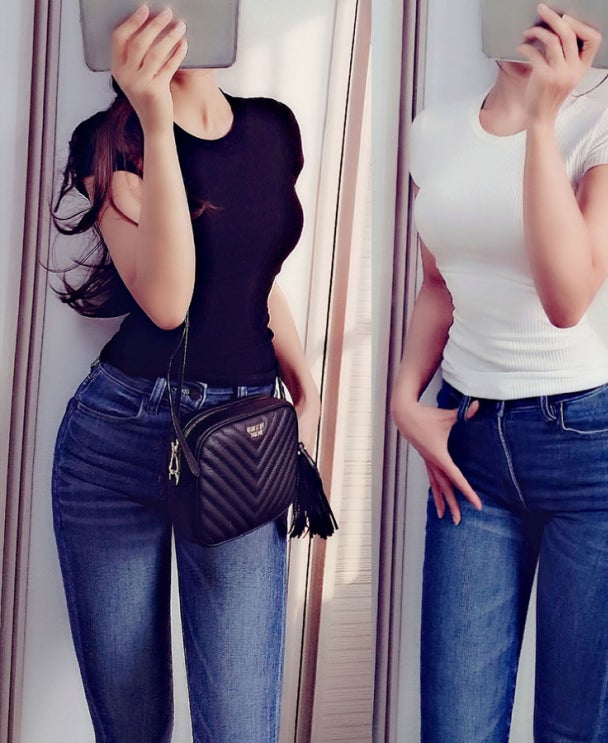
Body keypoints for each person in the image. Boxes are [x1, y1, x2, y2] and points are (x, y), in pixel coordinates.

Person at [50, 5, 320, 742]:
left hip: (240, 441)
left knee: (239, 727)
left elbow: (255, 273)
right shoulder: (109, 144)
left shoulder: (273, 128)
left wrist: (304, 385)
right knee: (131, 729)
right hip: (117, 441)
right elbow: (168, 302)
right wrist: (155, 116)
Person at [391, 4, 608, 741]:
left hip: (589, 458)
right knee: (456, 729)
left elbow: (566, 298)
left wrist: (542, 120)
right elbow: (439, 284)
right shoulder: (432, 132)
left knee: (571, 732)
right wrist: (404, 399)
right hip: (471, 447)